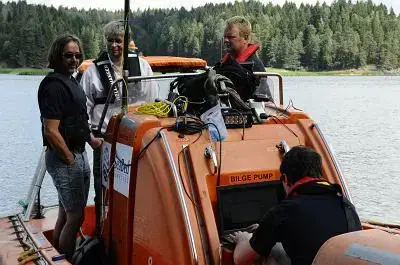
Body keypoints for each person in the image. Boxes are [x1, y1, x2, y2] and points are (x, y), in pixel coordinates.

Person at [80, 20, 157, 233]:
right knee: (103, 189)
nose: (114, 46)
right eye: (110, 41)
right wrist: (90, 138)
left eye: (118, 41)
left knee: (135, 189)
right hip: (104, 141)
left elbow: (153, 102)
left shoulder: (142, 67)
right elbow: (81, 110)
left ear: (127, 42)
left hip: (135, 143)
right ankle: (101, 230)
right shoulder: (93, 72)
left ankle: (133, 232)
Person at [228, 146, 361, 265]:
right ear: (319, 174)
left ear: (285, 179)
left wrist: (243, 238)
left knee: (272, 251)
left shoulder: (283, 212)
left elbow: (241, 259)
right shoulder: (346, 205)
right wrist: (263, 230)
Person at [37, 34, 102, 260]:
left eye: (77, 56)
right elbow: (51, 130)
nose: (73, 60)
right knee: (76, 216)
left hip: (78, 153)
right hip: (65, 158)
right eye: (68, 56)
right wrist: (70, 159)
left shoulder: (72, 81)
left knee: (66, 212)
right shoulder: (53, 86)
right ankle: (66, 258)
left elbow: (79, 120)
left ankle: (55, 256)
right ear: (57, 56)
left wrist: (92, 141)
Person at [222, 16, 273, 101]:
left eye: (231, 37)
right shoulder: (225, 64)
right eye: (225, 37)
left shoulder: (255, 67)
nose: (226, 40)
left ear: (245, 38)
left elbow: (262, 101)